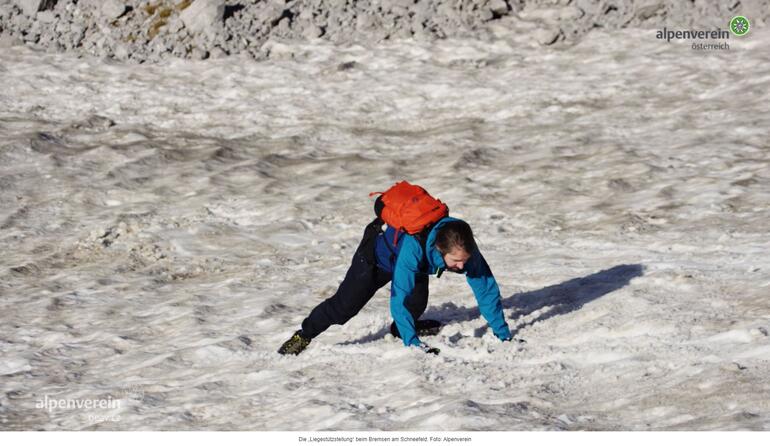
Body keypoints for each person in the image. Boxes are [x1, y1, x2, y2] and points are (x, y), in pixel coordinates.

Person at [278, 183, 512, 356]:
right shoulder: (414, 247)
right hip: (375, 260)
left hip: (415, 264)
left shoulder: (462, 245)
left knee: (417, 304)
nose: (461, 267)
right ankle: (303, 335)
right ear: (440, 250)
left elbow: (486, 289)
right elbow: (398, 296)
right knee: (343, 308)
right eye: (455, 262)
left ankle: (400, 328)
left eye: (464, 261)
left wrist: (503, 335)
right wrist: (414, 345)